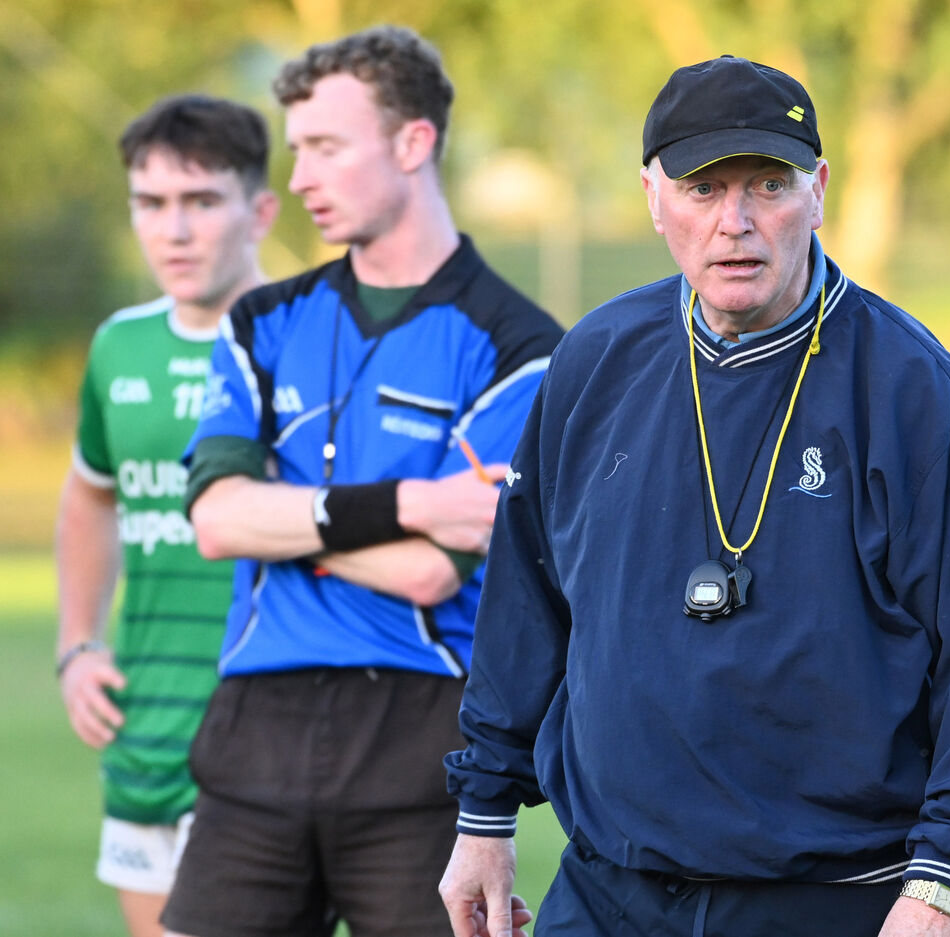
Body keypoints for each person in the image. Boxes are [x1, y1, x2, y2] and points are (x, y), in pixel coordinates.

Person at [440, 55, 950, 937]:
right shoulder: (594, 361)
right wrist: (484, 813)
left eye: (769, 184)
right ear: (654, 197)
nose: (736, 222)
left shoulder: (918, 394)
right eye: (702, 188)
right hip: (609, 892)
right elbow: (524, 603)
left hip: (834, 900)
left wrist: (944, 884)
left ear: (819, 191)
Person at [160, 24, 563, 937]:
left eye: (326, 147)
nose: (300, 176)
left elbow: (429, 571)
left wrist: (283, 519)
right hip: (254, 729)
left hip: (422, 739)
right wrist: (412, 503)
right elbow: (216, 520)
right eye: (296, 148)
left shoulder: (525, 349)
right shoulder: (260, 322)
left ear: (413, 142)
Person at [54, 94, 279, 937]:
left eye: (202, 200)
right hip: (147, 724)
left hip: (276, 726)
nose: (174, 230)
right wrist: (77, 643)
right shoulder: (120, 344)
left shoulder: (306, 339)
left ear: (261, 211)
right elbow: (91, 491)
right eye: (150, 203)